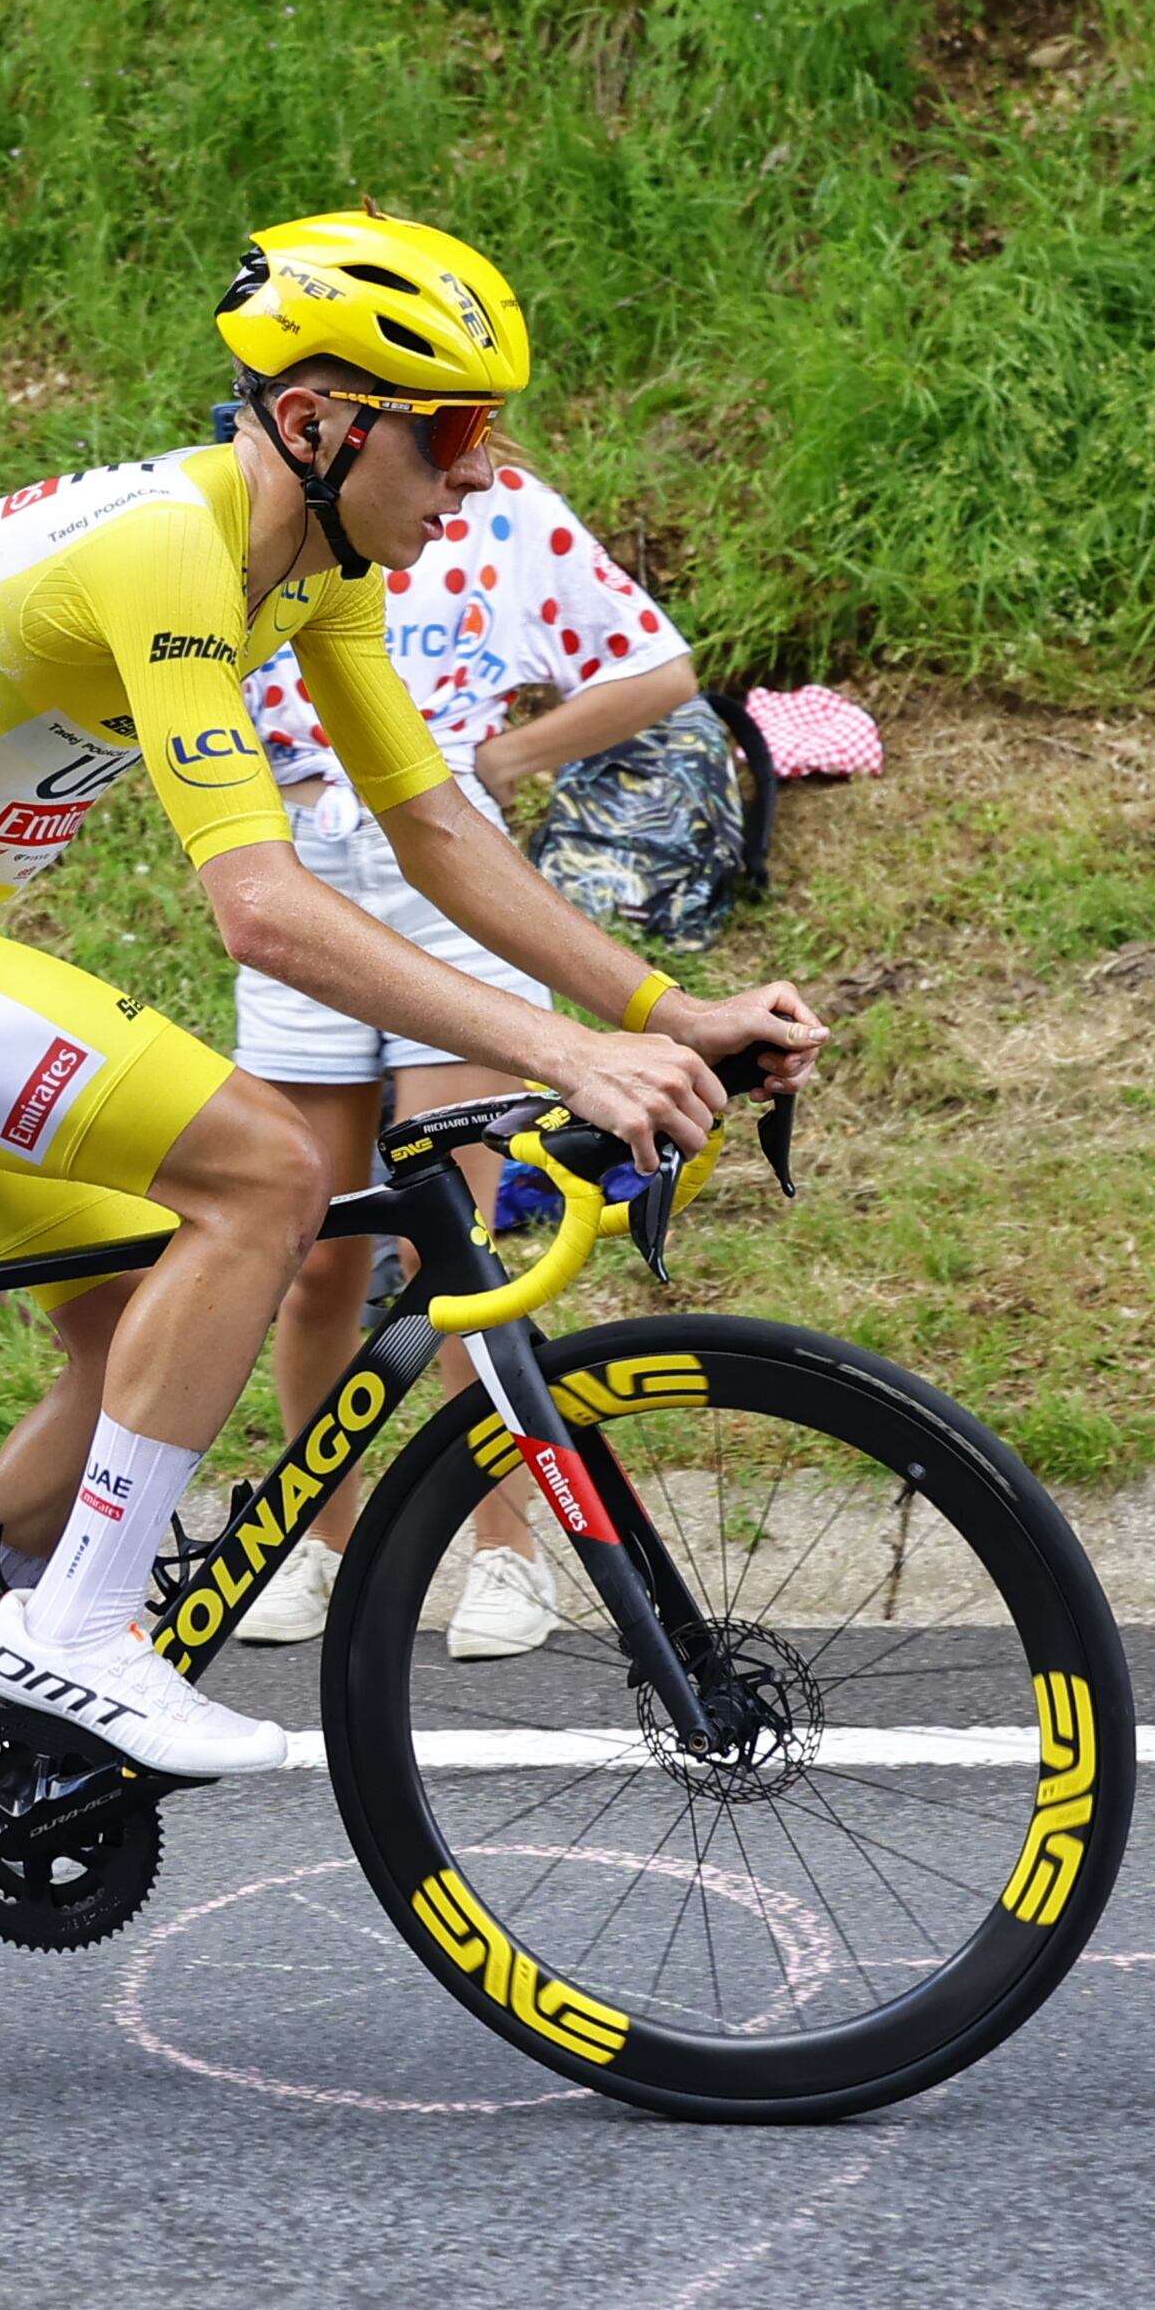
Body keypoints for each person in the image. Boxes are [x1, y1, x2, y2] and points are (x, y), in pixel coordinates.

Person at [0, 210, 823, 1777]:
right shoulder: (169, 545)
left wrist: (656, 1012)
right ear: (313, 421)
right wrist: (557, 1046)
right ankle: (76, 1629)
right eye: (452, 435)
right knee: (268, 1169)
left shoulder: (313, 566)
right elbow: (264, 907)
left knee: (147, 1311)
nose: (481, 474)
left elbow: (435, 829)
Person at [226, 460, 709, 1660]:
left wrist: (501, 763)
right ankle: (321, 1542)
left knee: (455, 1252)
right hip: (300, 873)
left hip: (449, 873)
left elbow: (659, 666)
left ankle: (507, 1551)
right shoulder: (250, 515)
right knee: (311, 1253)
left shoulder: (499, 505)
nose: (460, 444)